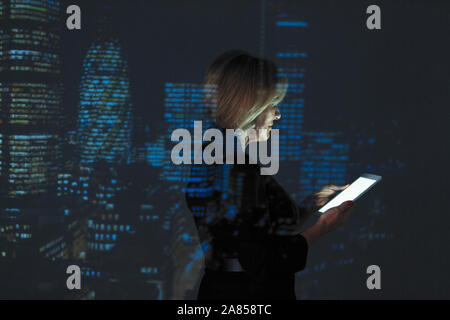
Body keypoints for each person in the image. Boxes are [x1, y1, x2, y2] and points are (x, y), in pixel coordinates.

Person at [185, 50, 355, 300]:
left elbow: (256, 228)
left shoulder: (214, 153)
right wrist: (323, 227)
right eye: (272, 105)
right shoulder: (237, 165)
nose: (278, 114)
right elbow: (262, 258)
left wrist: (314, 202)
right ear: (250, 106)